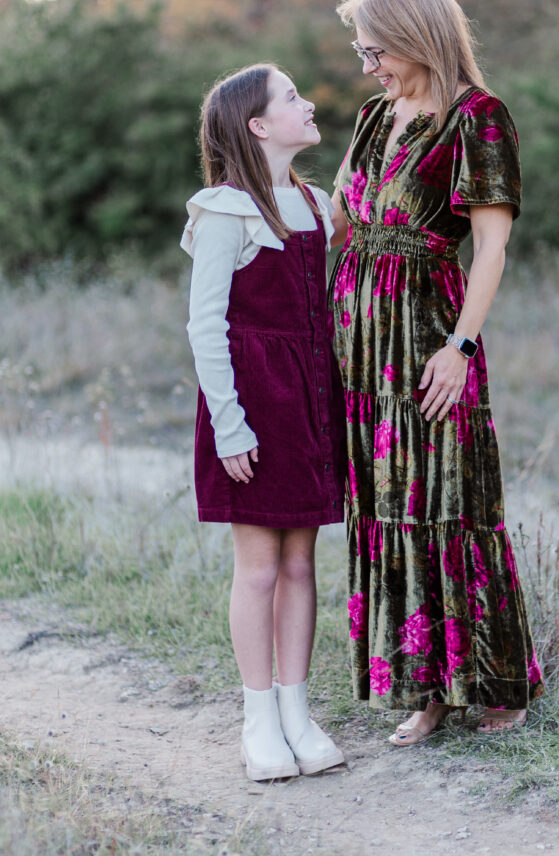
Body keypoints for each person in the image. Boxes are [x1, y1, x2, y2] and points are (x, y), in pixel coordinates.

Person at [328, 0, 544, 744]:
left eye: (374, 49)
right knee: (386, 508)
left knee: (448, 503)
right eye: (362, 53)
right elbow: (339, 221)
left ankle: (491, 681)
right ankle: (425, 690)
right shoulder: (371, 116)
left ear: (417, 34)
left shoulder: (477, 119)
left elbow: (490, 247)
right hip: (358, 344)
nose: (368, 66)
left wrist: (459, 345)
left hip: (425, 337)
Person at [181, 64, 346, 779]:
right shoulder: (225, 208)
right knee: (258, 569)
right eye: (291, 98)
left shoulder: (318, 202)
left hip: (310, 394)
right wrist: (230, 424)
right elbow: (204, 323)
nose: (307, 104)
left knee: (301, 562)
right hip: (252, 400)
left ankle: (296, 713)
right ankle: (257, 725)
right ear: (257, 125)